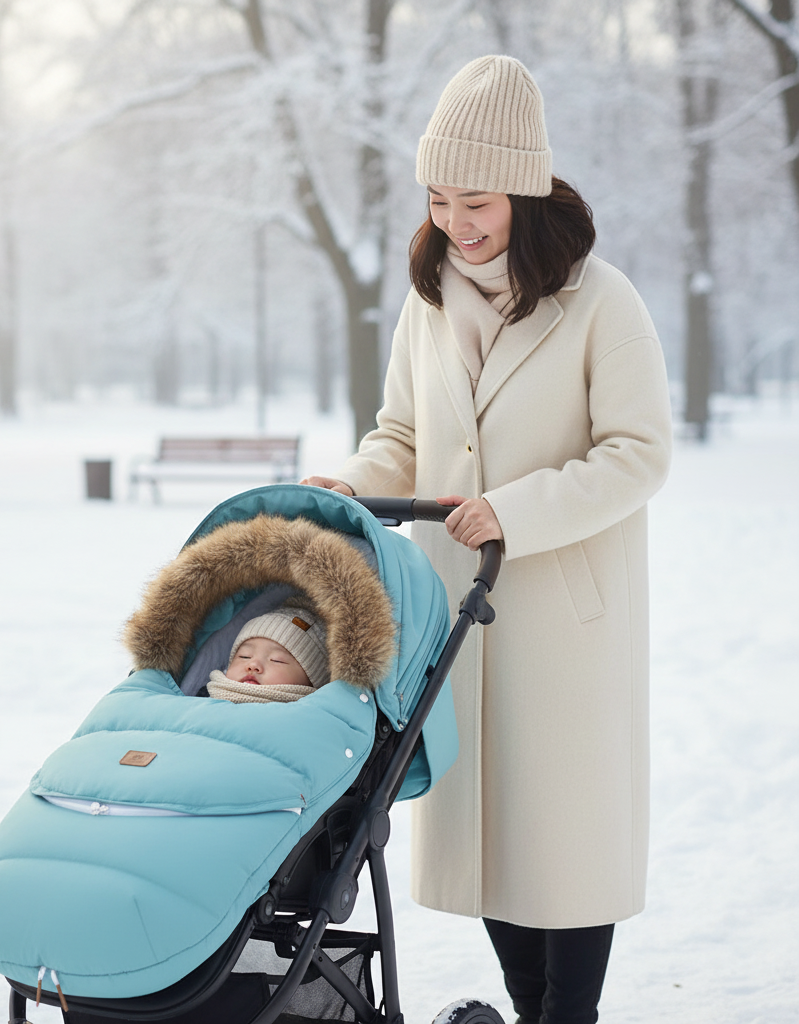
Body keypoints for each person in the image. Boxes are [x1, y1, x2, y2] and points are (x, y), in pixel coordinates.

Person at [302, 55, 673, 1024]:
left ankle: (567, 1014)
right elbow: (401, 436)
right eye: (438, 198)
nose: (457, 222)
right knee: (491, 836)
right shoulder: (428, 300)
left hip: (562, 613)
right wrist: (352, 478)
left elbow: (637, 455)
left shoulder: (601, 300)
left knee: (566, 837)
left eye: (477, 200)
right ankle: (528, 1008)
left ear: (526, 189)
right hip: (454, 607)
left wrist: (518, 505)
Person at [206, 605, 331, 704]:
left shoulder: (312, 719)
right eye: (244, 656)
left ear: (311, 681)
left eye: (276, 660)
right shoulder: (198, 704)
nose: (253, 665)